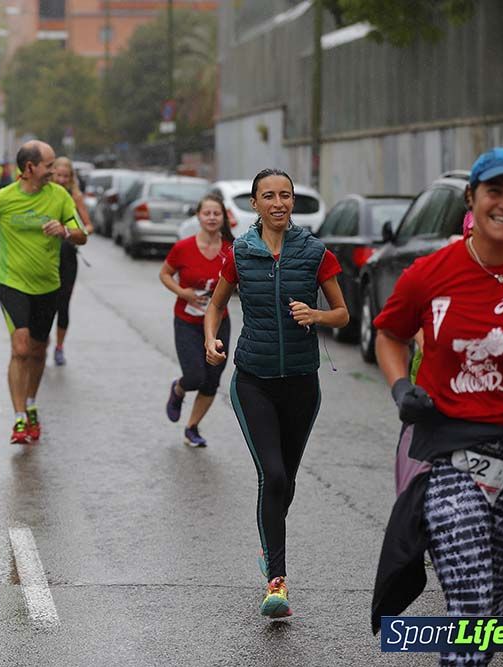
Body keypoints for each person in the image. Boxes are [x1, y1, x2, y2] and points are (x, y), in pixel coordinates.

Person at [371, 148, 503, 666]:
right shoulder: (429, 272)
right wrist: (401, 388)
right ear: (471, 197)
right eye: (495, 192)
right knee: (472, 605)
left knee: (489, 605)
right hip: (450, 454)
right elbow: (389, 334)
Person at [203, 168, 349, 618]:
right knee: (274, 475)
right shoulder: (240, 253)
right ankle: (277, 582)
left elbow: (343, 314)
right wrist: (211, 340)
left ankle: (269, 547)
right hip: (254, 381)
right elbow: (216, 304)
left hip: (302, 384)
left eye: (285, 195)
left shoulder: (315, 253)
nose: (278, 203)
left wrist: (316, 316)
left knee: (286, 481)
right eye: (269, 196)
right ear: (255, 204)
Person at [0, 140, 88, 444]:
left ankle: (31, 402)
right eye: (48, 165)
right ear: (30, 167)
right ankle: (19, 418)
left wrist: (65, 231)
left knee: (38, 350)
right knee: (20, 348)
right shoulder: (2, 198)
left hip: (48, 285)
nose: (53, 171)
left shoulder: (59, 196)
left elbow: (82, 234)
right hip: (12, 282)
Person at [161, 194, 235, 447]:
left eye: (217, 213)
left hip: (219, 323)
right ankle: (179, 390)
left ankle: (192, 427)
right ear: (198, 216)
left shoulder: (230, 250)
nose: (212, 218)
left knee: (212, 379)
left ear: (223, 217)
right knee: (194, 377)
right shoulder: (183, 247)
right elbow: (165, 274)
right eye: (207, 213)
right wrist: (183, 292)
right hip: (187, 322)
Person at [49, 156, 94, 367]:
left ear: (70, 178)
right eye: (58, 175)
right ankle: (41, 341)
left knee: (63, 304)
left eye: (65, 176)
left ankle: (59, 347)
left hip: (67, 255)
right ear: (52, 174)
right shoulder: (44, 195)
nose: (61, 179)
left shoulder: (74, 197)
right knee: (44, 303)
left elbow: (88, 226)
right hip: (44, 255)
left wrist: (72, 233)